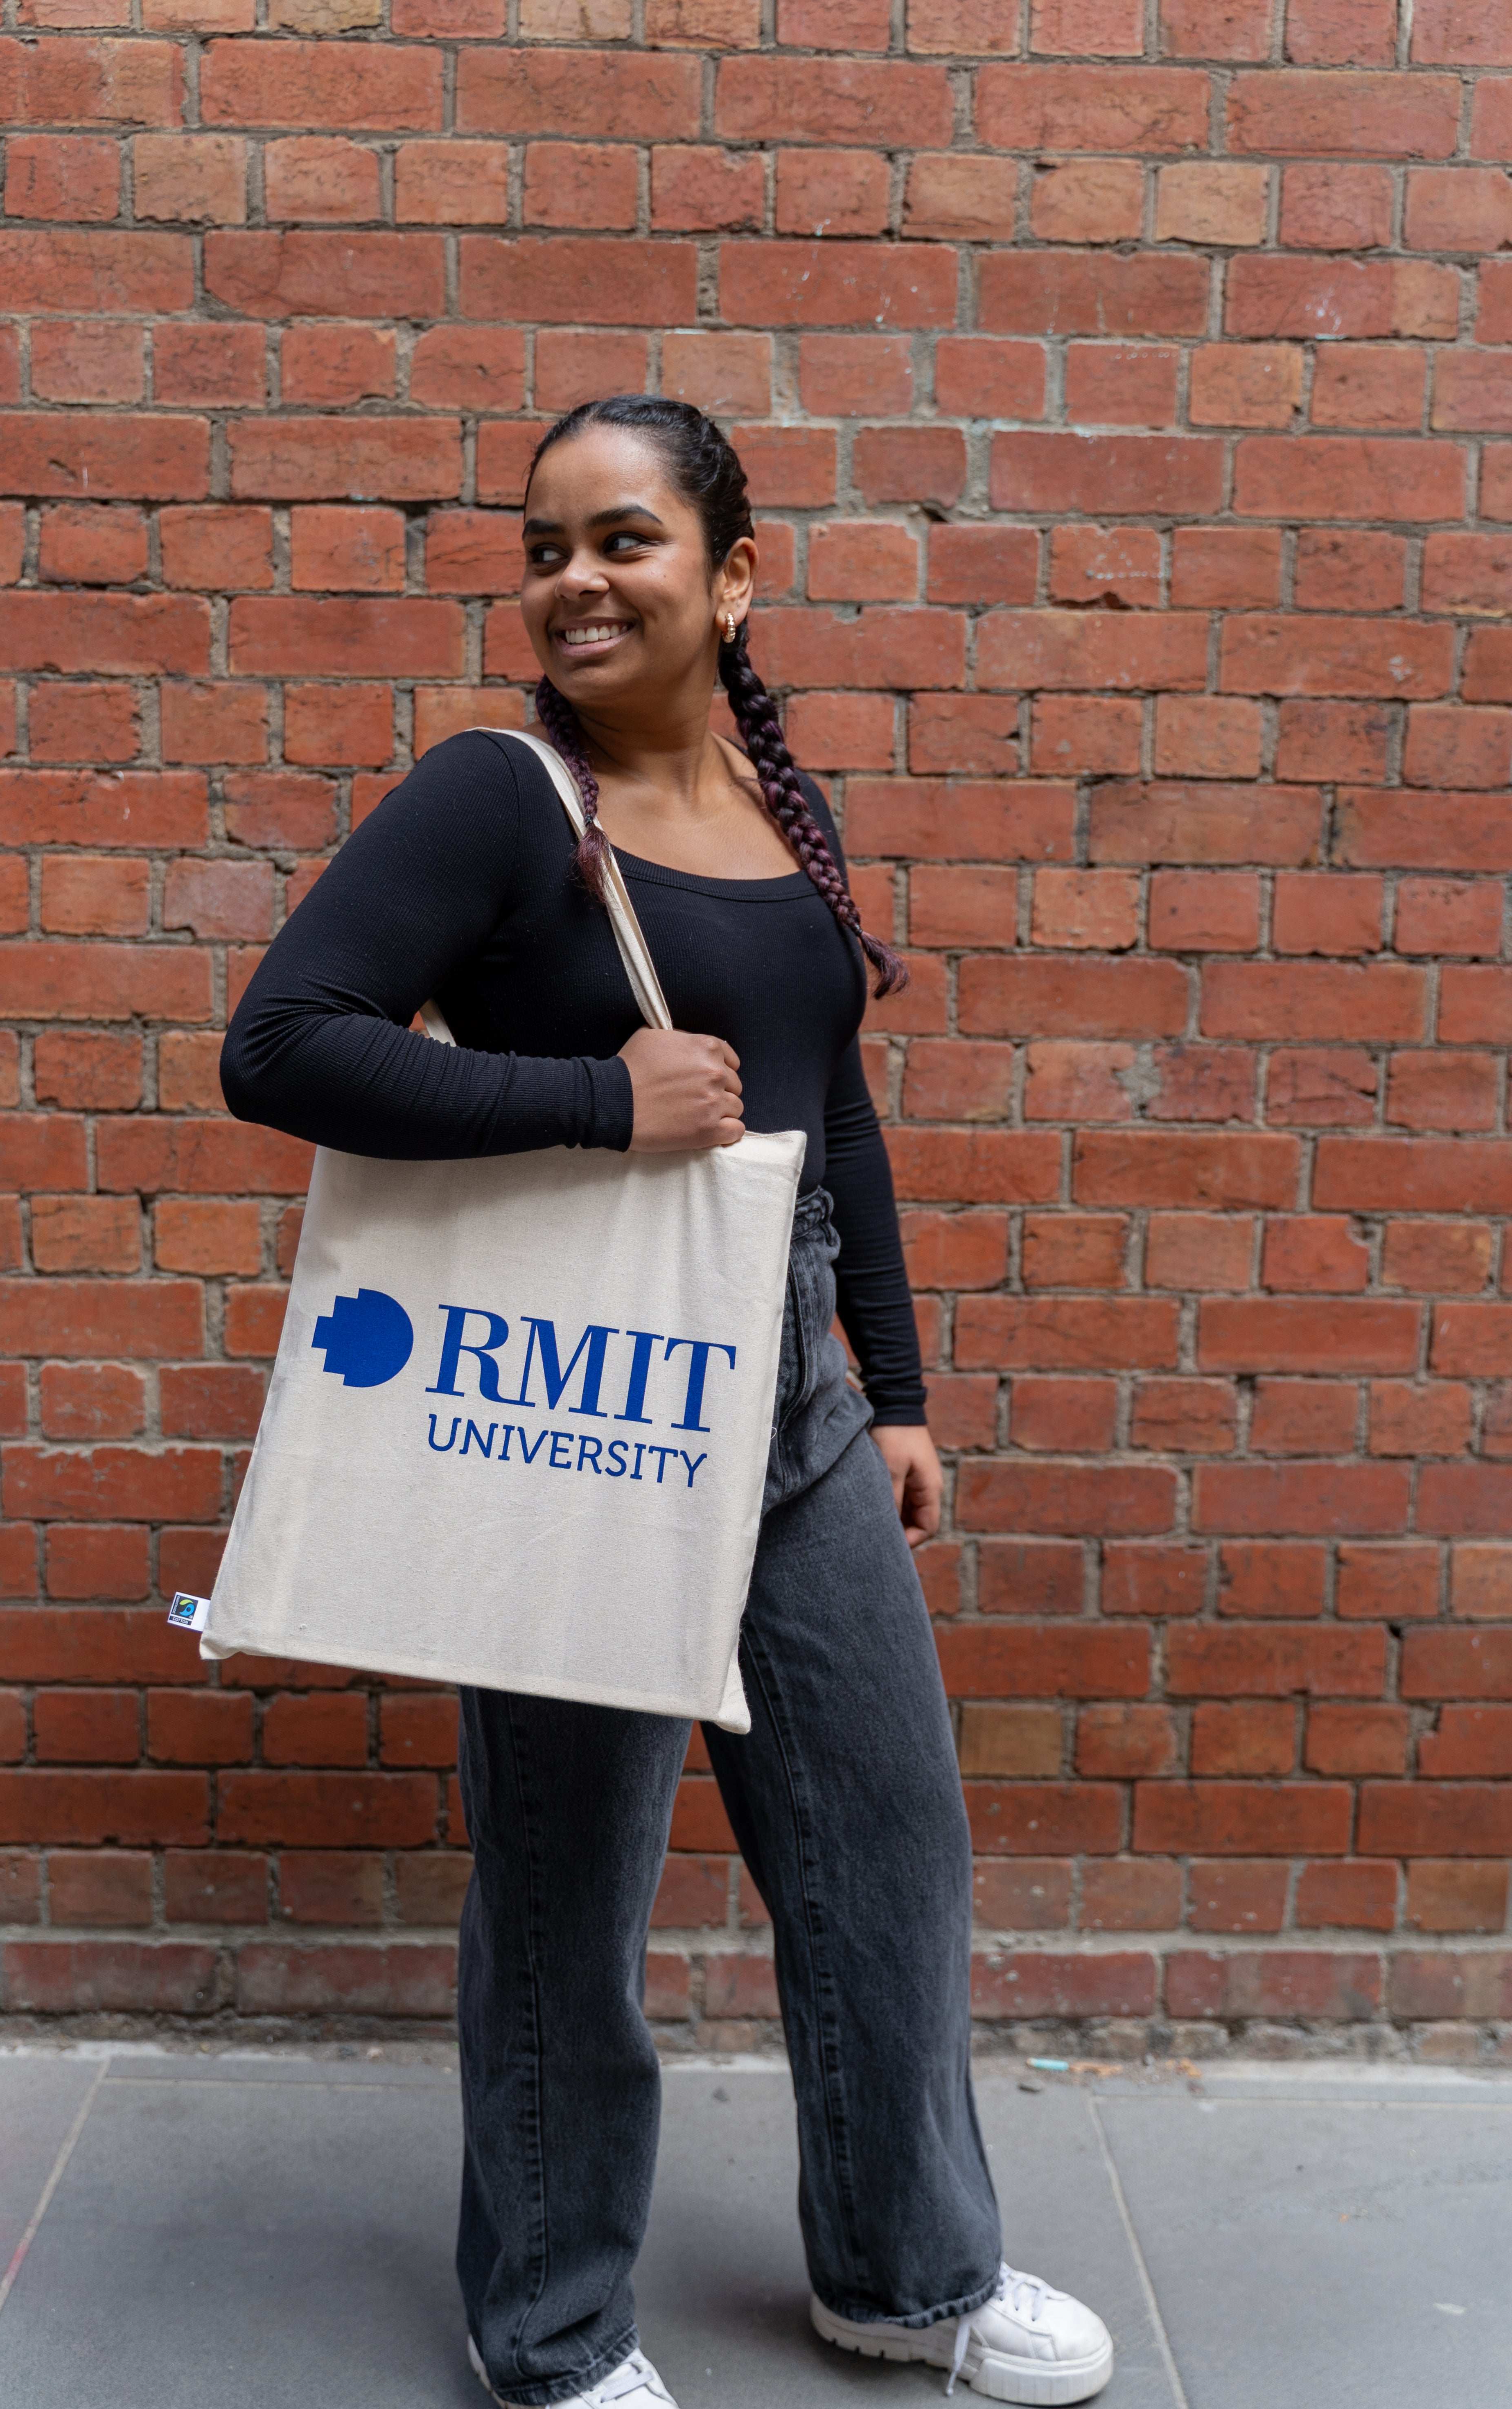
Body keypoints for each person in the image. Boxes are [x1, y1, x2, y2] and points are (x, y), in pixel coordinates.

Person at [221, 397, 1113, 2409]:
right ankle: (548, 2326)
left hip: (785, 1385)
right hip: (581, 1405)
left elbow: (834, 1110)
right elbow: (280, 1047)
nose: (573, 578)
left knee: (887, 1844)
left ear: (731, 573)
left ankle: (907, 2272)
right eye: (544, 544)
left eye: (622, 539)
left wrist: (891, 1387)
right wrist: (595, 1101)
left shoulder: (774, 811)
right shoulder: (497, 795)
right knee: (567, 1881)